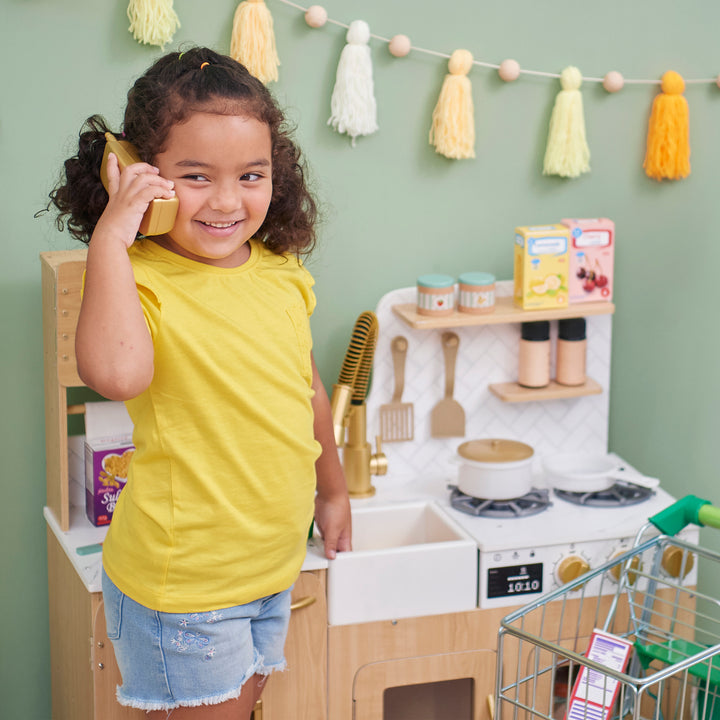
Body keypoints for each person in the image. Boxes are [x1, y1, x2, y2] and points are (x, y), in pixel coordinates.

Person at [49, 46, 352, 719]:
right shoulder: (137, 279)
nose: (225, 200)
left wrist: (333, 491)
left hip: (270, 565)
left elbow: (302, 387)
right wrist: (110, 240)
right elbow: (116, 373)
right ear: (139, 175)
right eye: (194, 176)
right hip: (187, 582)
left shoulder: (278, 270)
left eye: (251, 174)